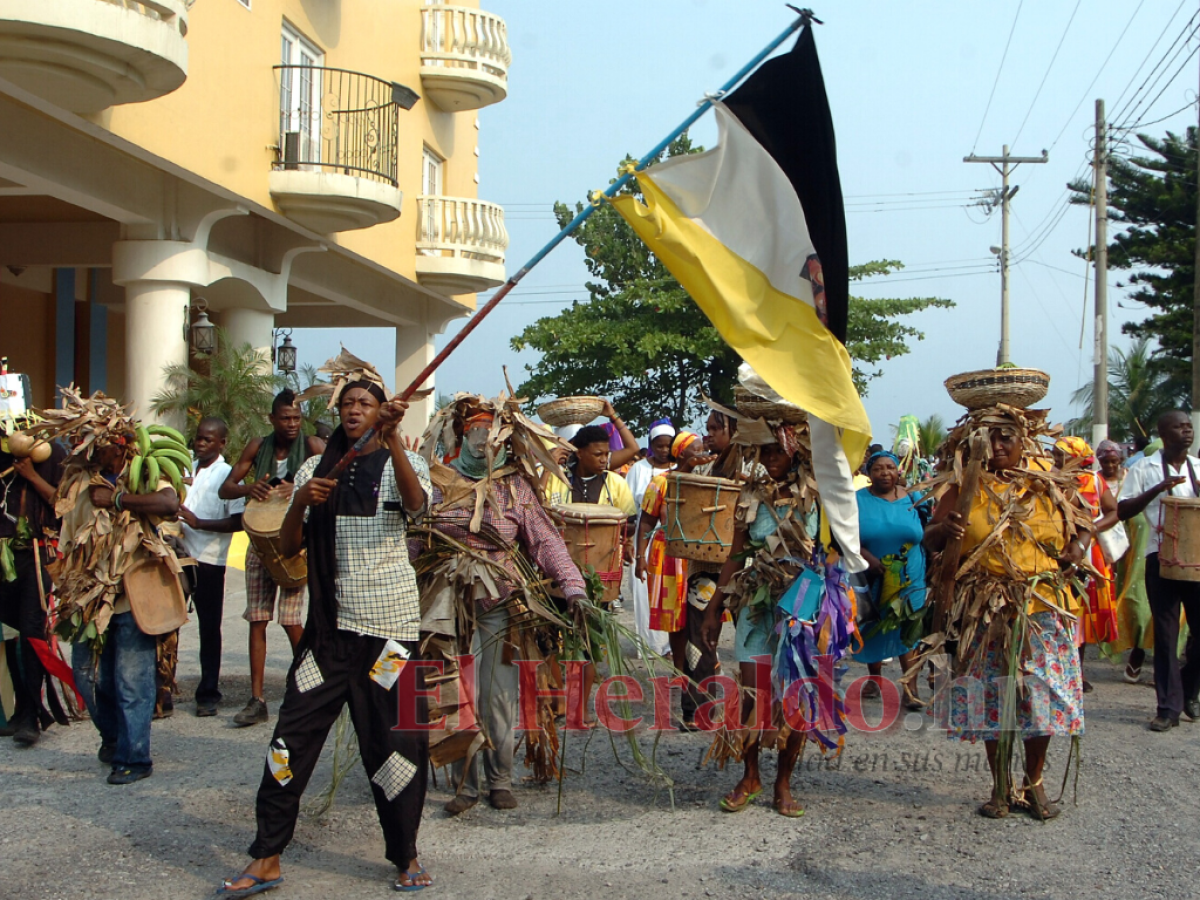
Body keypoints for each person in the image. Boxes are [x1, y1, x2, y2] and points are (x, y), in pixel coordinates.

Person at [219, 355, 433, 896]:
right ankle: (266, 855)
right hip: (329, 634)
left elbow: (415, 506)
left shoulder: (402, 461)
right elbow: (288, 549)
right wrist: (300, 506)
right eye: (348, 405)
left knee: (396, 742)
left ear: (382, 412)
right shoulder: (318, 470)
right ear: (338, 414)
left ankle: (405, 854)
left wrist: (397, 443)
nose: (355, 411)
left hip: (390, 633)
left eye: (366, 404)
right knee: (291, 738)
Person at [416, 397, 587, 815]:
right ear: (460, 435)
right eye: (474, 430)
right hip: (444, 599)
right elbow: (418, 536)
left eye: (489, 432)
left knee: (497, 694)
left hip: (498, 600)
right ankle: (465, 784)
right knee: (454, 689)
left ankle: (500, 779)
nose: (482, 439)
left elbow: (545, 541)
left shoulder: (514, 487)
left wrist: (574, 588)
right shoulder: (438, 481)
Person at [924, 405, 1088, 820]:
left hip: (1042, 607)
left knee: (1042, 699)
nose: (996, 445)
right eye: (988, 437)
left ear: (1023, 439)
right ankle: (999, 786)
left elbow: (1085, 518)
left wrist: (1078, 546)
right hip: (985, 609)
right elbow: (929, 538)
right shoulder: (965, 485)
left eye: (1005, 437)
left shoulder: (1047, 480)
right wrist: (944, 532)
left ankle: (1034, 785)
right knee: (991, 696)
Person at [701, 416, 856, 819]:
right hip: (757, 602)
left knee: (798, 695)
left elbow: (839, 549)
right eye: (764, 450)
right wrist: (715, 607)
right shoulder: (749, 496)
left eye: (778, 449)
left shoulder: (821, 495)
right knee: (753, 693)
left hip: (805, 607)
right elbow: (735, 554)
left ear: (796, 449)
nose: (770, 458)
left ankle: (783, 782)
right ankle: (750, 775)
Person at [45, 390, 181, 785]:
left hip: (132, 596)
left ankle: (135, 757)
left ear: (115, 442)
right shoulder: (77, 479)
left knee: (130, 680)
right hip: (86, 595)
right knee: (87, 676)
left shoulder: (145, 470)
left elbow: (169, 504)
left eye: (93, 442)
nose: (84, 448)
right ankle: (113, 738)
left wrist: (120, 498)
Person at [219, 389, 325, 727]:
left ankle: (308, 691)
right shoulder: (257, 445)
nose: (292, 424)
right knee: (258, 619)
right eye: (286, 418)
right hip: (258, 543)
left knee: (292, 620)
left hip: (294, 542)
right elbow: (226, 487)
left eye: (297, 418)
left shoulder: (312, 446)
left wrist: (299, 491)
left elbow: (332, 481)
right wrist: (249, 488)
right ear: (272, 419)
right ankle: (257, 699)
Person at [1117, 411, 1200, 731]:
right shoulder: (1143, 468)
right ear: (1163, 434)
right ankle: (1168, 708)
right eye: (1180, 427)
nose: (1187, 431)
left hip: (1195, 560)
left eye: (1189, 427)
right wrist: (1158, 489)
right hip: (1160, 558)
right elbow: (1123, 509)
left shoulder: (1196, 467)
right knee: (1165, 637)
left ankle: (1188, 688)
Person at [634, 432, 716, 726]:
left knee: (697, 619)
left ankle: (695, 678)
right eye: (695, 449)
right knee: (675, 619)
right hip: (667, 555)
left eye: (702, 447)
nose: (702, 451)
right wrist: (639, 556)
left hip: (699, 556)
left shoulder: (709, 481)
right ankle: (681, 668)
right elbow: (646, 520)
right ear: (682, 454)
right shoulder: (661, 483)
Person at [0, 430, 65, 745]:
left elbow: (61, 503)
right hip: (5, 558)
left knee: (32, 634)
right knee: (11, 636)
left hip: (37, 557)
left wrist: (29, 475)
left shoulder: (52, 455)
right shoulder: (4, 457)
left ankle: (31, 717)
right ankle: (22, 709)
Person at [177, 417, 244, 717]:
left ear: (222, 443)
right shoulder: (183, 467)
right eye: (198, 438)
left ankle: (207, 692)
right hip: (177, 555)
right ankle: (163, 687)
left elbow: (238, 521)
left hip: (208, 561)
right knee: (168, 625)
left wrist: (199, 523)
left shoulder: (228, 475)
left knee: (208, 628)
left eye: (208, 439)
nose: (201, 444)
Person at [853, 449, 927, 711]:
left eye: (890, 467)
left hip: (911, 575)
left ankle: (910, 687)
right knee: (874, 625)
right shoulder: (857, 500)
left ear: (898, 471)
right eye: (878, 469)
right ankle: (874, 679)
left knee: (909, 628)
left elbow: (929, 530)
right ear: (869, 473)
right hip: (872, 574)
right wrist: (867, 558)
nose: (885, 473)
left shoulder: (915, 498)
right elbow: (843, 535)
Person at [1052, 437, 1119, 693]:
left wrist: (1089, 529)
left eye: (1062, 456)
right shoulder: (1052, 478)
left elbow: (1113, 511)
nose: (1057, 460)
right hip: (1059, 551)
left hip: (1089, 554)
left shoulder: (1094, 480)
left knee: (1083, 611)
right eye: (1056, 455)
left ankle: (1077, 671)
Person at [1096, 439, 1154, 681]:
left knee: (1147, 606)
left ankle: (1143, 656)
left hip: (1141, 547)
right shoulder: (1094, 481)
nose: (1110, 465)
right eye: (1105, 461)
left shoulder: (1134, 478)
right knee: (1126, 600)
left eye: (1114, 461)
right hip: (1111, 549)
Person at [624, 418, 676, 656]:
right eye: (659, 445)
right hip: (644, 540)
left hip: (673, 542)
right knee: (645, 594)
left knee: (672, 591)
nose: (664, 450)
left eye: (668, 445)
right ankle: (650, 646)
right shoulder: (638, 470)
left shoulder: (680, 469)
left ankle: (673, 644)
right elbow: (630, 509)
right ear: (651, 444)